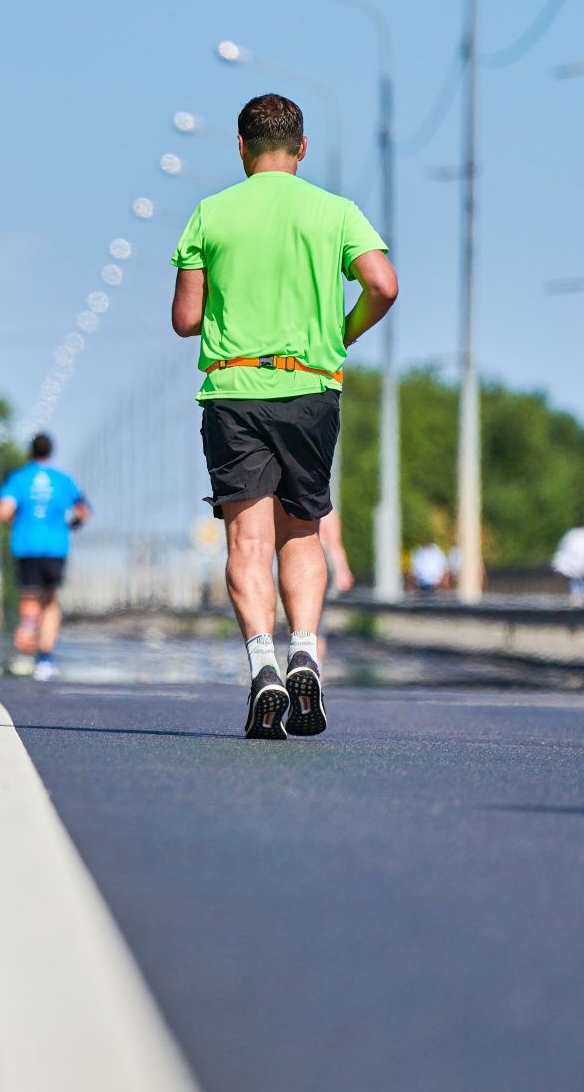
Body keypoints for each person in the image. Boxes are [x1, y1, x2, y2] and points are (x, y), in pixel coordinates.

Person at [170, 92, 398, 740]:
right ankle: (304, 649)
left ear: (240, 147)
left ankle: (262, 666)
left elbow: (186, 319)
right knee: (303, 531)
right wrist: (344, 333)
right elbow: (383, 283)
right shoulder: (335, 211)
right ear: (301, 148)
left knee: (247, 541)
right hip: (309, 389)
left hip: (234, 391)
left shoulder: (210, 214)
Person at [0, 433, 90, 683]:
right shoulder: (63, 480)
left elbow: (3, 511)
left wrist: (17, 523)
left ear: (31, 451)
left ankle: (26, 638)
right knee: (50, 600)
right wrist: (69, 527)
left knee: (29, 597)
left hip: (27, 545)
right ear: (50, 451)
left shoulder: (19, 478)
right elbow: (83, 512)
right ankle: (45, 658)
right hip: (56, 547)